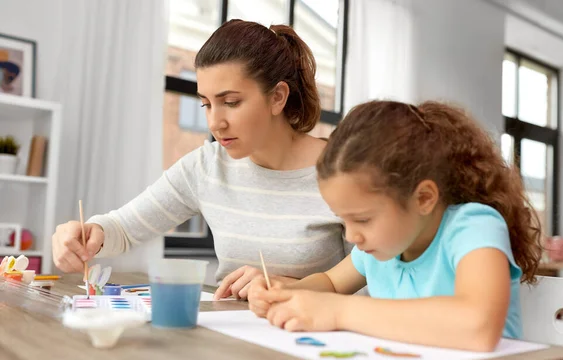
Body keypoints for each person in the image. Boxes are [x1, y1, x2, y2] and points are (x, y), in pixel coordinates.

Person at [52, 19, 351, 300]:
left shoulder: (343, 171)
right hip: (231, 334)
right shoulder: (206, 166)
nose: (214, 122)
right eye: (206, 104)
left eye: (231, 102)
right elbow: (124, 228)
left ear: (277, 97)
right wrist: (89, 233)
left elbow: (372, 278)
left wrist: (299, 288)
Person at [248, 100, 542, 352]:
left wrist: (338, 312)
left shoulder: (474, 226)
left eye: (362, 219)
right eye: (344, 220)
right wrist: (289, 292)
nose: (352, 235)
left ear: (423, 198)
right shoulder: (382, 247)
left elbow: (479, 326)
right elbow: (331, 283)